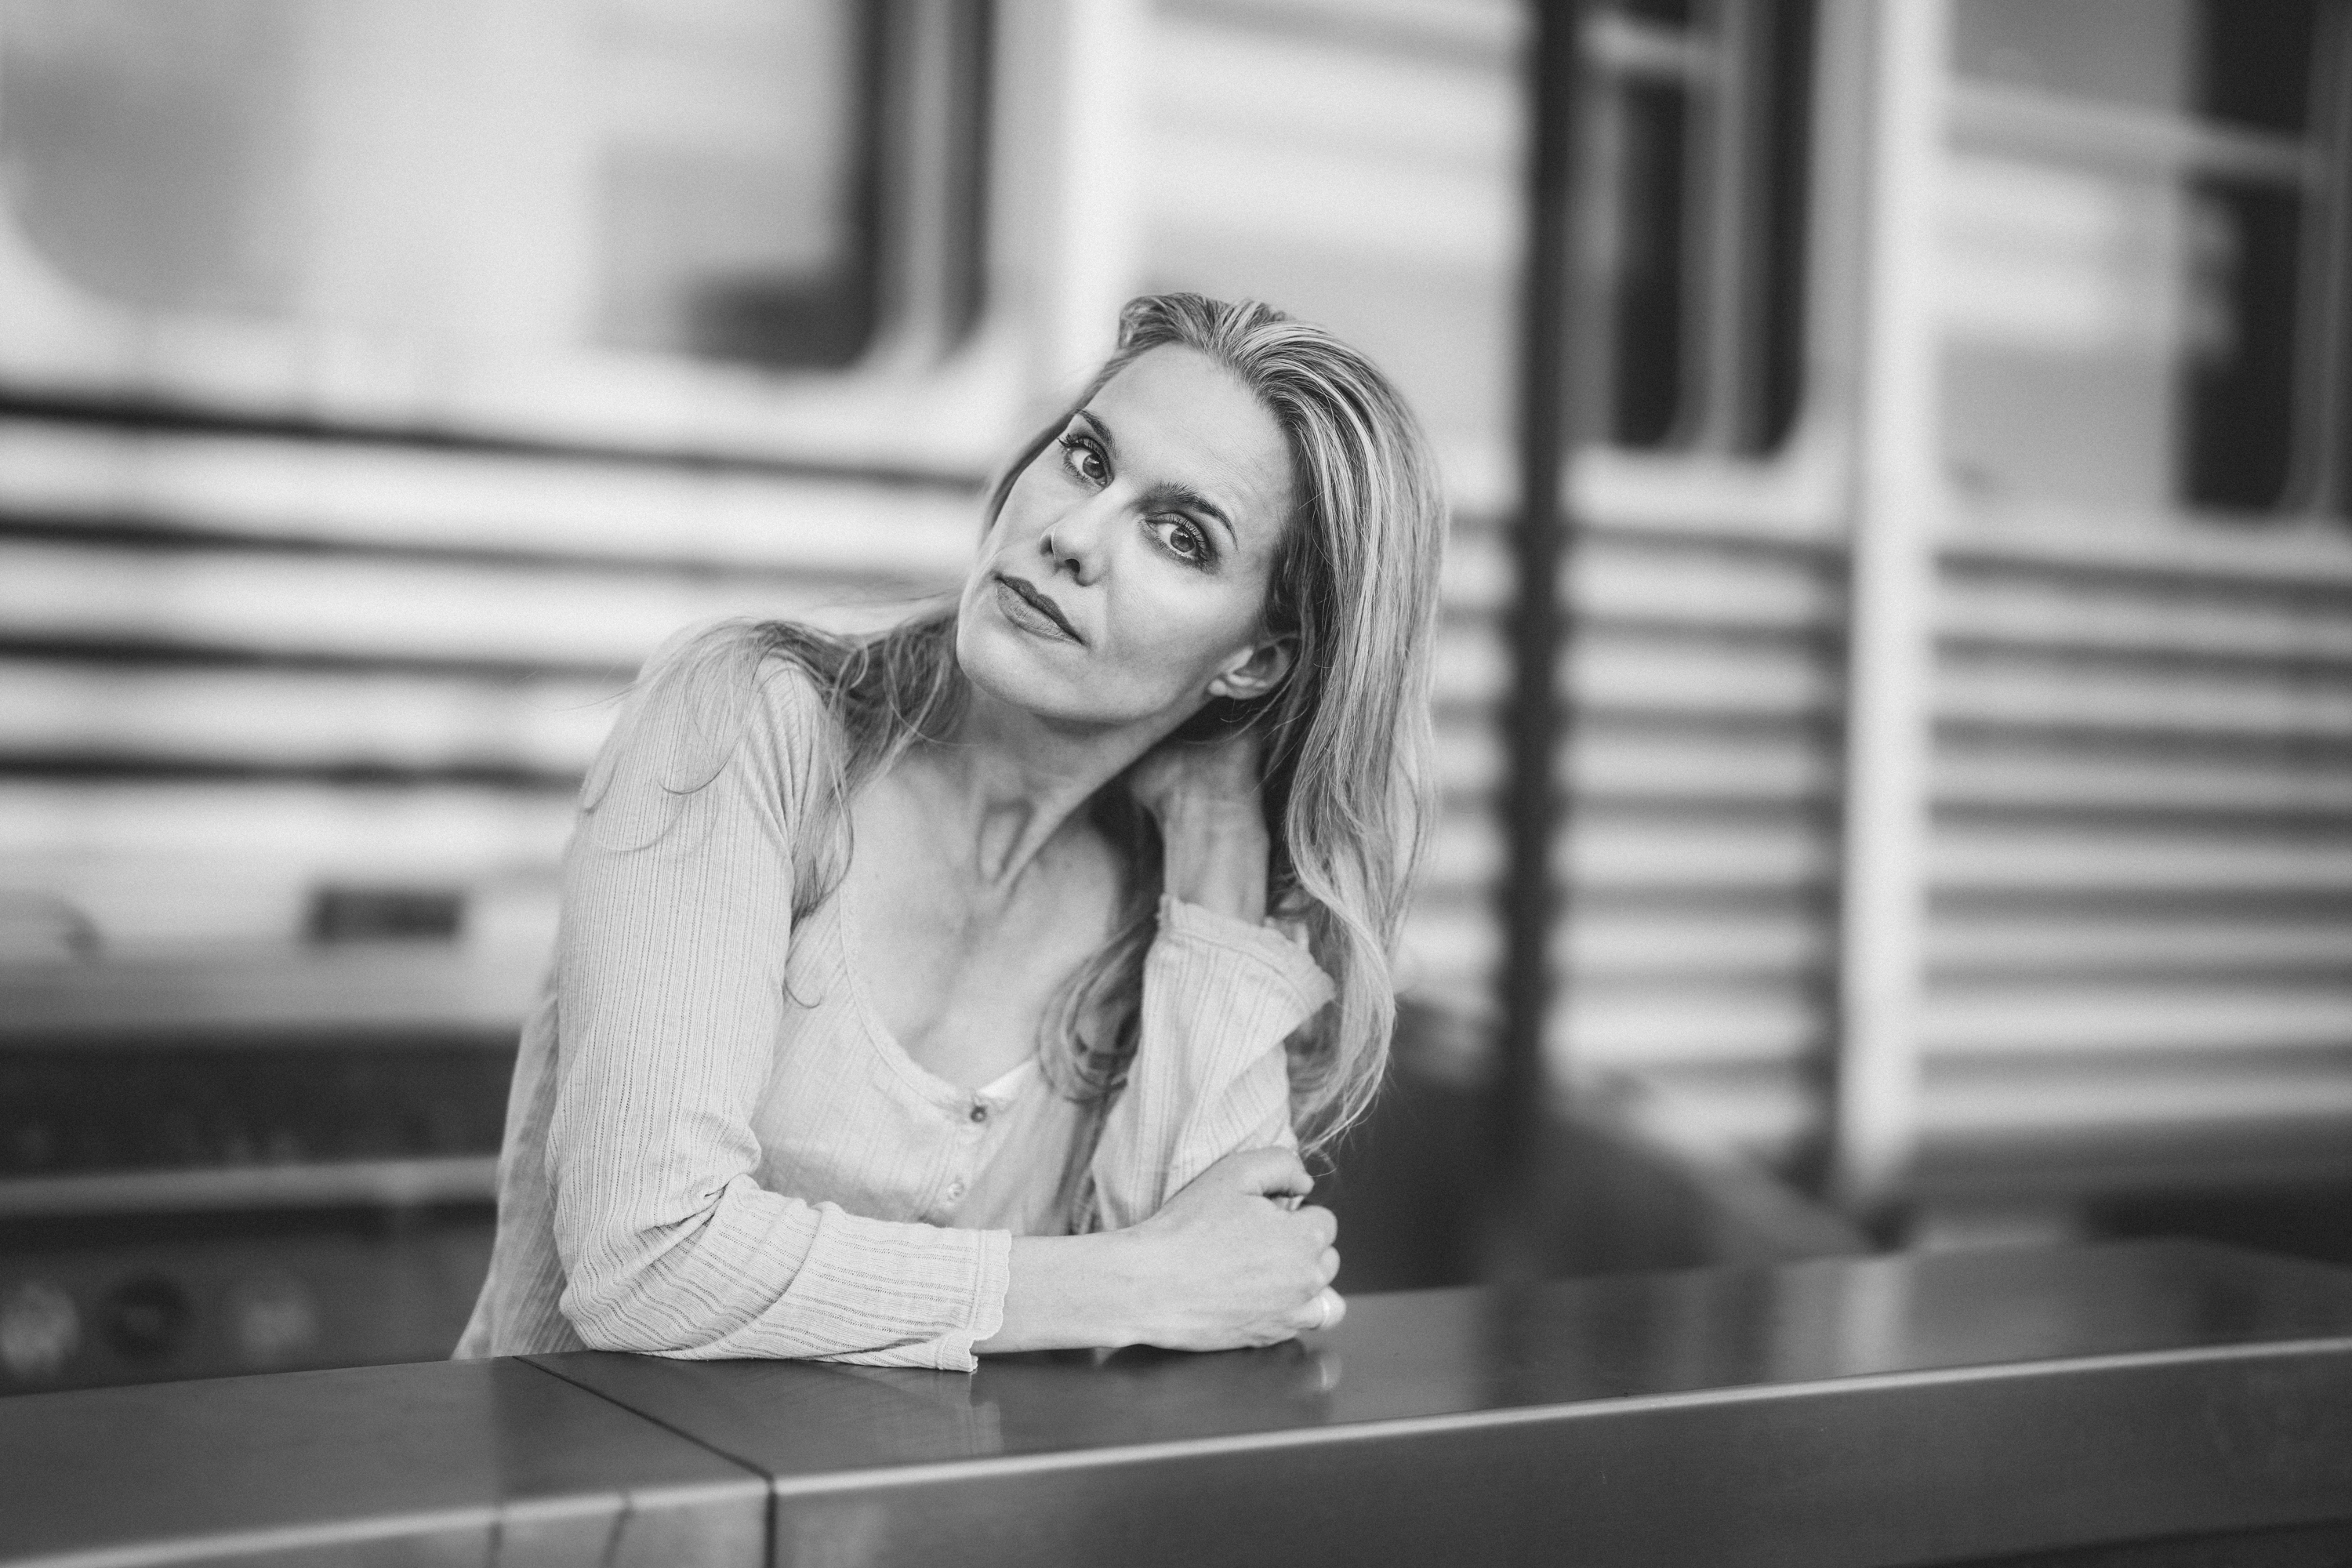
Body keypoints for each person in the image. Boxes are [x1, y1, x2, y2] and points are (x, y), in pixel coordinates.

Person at [455, 293, 1444, 1370]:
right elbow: (646, 1260)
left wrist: (1217, 853)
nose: (1072, 536)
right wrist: (1123, 1284)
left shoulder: (1161, 904)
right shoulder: (747, 725)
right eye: (1086, 459)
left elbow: (1221, 1320)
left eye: (1179, 537)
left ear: (1253, 662)